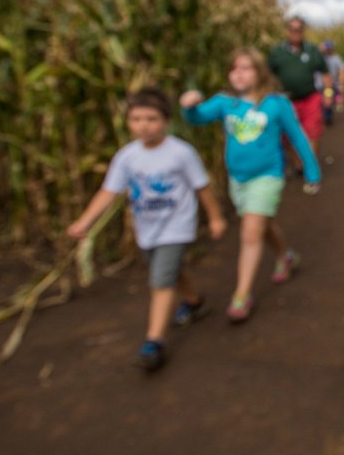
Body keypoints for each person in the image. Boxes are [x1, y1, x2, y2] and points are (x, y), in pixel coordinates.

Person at [67, 88, 226, 372]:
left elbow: (202, 187)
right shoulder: (127, 157)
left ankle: (154, 342)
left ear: (166, 120)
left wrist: (215, 218)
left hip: (177, 226)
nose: (144, 125)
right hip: (147, 228)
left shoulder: (181, 153)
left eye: (151, 118)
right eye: (136, 118)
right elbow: (109, 192)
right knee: (170, 271)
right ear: (127, 121)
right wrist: (85, 222)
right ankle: (194, 302)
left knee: (161, 280)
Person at [180, 48, 321, 324]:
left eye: (246, 68)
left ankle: (242, 295)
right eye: (234, 68)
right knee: (261, 225)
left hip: (268, 176)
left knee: (250, 232)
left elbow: (298, 137)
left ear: (260, 73)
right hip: (238, 180)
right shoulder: (225, 103)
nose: (239, 73)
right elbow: (196, 118)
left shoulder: (276, 104)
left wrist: (312, 171)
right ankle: (285, 255)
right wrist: (188, 106)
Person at [267, 17, 328, 162]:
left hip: (310, 98)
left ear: (303, 31)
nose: (296, 32)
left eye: (299, 29)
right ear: (287, 31)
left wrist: (328, 93)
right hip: (286, 102)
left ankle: (310, 166)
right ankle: (299, 164)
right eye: (292, 29)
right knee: (289, 136)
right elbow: (267, 76)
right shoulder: (277, 52)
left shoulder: (312, 50)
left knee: (313, 132)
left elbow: (325, 73)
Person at [318, 39, 344, 126]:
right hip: (319, 85)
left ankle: (328, 116)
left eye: (330, 48)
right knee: (320, 102)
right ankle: (323, 116)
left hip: (330, 85)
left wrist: (341, 82)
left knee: (328, 101)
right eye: (327, 48)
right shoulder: (320, 57)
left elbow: (342, 69)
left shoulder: (336, 58)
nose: (328, 49)